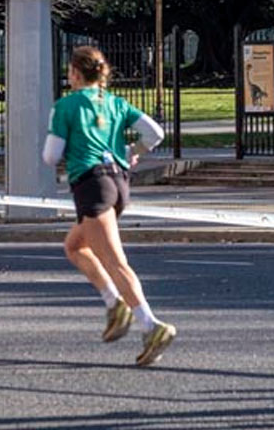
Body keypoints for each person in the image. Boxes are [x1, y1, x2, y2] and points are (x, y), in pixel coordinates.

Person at [41, 46, 175, 366]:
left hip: (91, 184)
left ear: (75, 73)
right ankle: (114, 303)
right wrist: (131, 150)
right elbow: (155, 133)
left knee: (115, 261)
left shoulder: (66, 106)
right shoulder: (115, 102)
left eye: (70, 71)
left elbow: (50, 156)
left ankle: (150, 324)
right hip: (118, 182)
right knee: (75, 246)